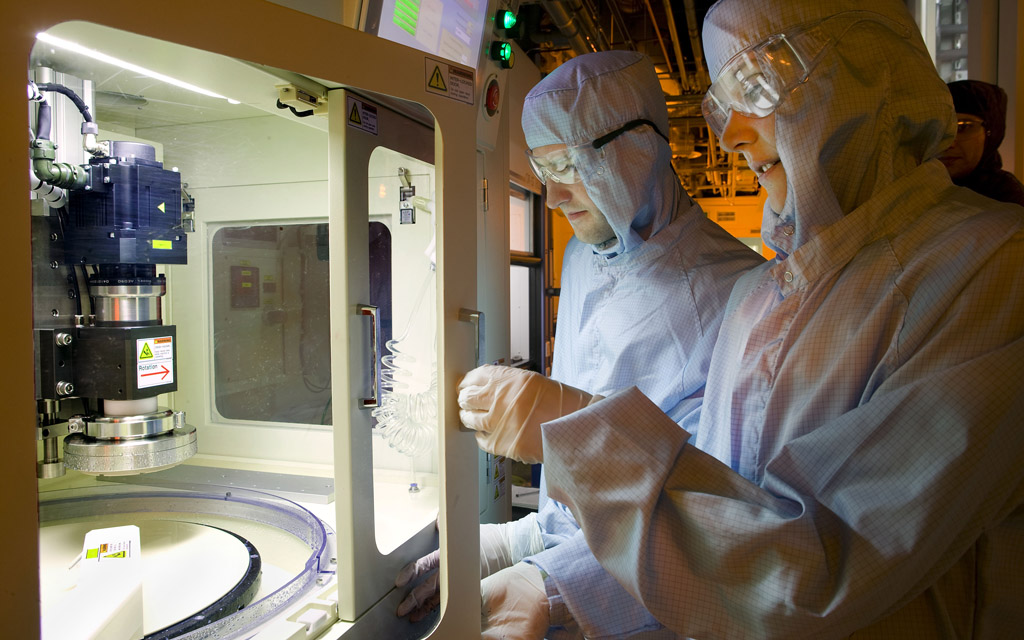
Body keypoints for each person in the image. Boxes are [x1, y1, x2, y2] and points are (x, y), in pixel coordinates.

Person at [458, 0, 1024, 637]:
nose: (731, 136)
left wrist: (575, 437)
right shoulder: (766, 294)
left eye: (757, 88)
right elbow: (722, 514)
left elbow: (814, 574)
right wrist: (547, 575)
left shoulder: (991, 273)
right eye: (723, 108)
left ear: (866, 70)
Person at [396, 51, 763, 638]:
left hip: (655, 615)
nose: (558, 195)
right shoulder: (584, 258)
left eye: (567, 164)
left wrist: (554, 584)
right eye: (544, 172)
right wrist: (510, 544)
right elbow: (578, 508)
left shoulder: (736, 294)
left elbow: (711, 528)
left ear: (636, 149)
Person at [938, 79, 1024, 207]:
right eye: (940, 129)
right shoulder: (922, 188)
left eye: (963, 128)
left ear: (992, 131)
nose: (948, 143)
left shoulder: (1008, 202)